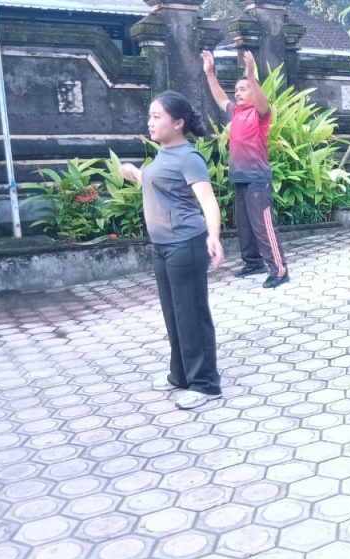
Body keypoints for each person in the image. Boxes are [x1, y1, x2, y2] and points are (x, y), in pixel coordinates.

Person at [120, 92, 224, 410]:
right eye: (150, 116)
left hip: (186, 245)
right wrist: (135, 173)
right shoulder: (163, 154)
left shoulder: (189, 157)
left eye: (157, 117)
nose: (150, 123)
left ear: (178, 123)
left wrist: (214, 236)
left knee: (191, 314)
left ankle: (205, 383)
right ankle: (180, 375)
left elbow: (208, 201)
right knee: (173, 313)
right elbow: (161, 186)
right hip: (163, 246)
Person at [202, 49, 289, 289]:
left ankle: (279, 270)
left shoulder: (260, 114)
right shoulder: (236, 112)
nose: (237, 93)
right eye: (236, 90)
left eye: (243, 89)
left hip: (257, 178)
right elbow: (220, 98)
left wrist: (251, 75)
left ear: (254, 90)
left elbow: (264, 102)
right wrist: (210, 74)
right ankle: (253, 262)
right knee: (245, 226)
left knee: (263, 226)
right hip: (239, 177)